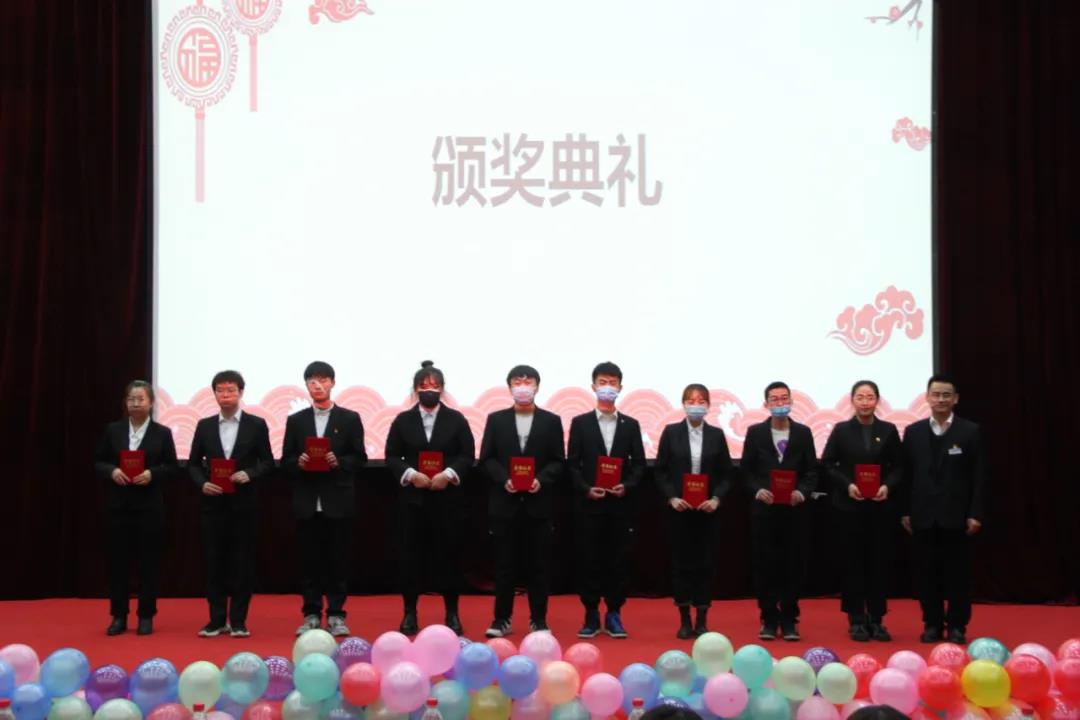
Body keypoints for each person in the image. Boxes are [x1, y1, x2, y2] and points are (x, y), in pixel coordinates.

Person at [384, 360, 476, 636]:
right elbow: (392, 456)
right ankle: (410, 613)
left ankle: (452, 613)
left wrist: (448, 474)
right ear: (415, 389)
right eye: (424, 385)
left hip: (447, 500)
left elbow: (467, 455)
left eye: (435, 386)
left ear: (442, 389)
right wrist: (411, 474)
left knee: (450, 555)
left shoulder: (456, 419)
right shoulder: (403, 420)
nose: (429, 390)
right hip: (413, 500)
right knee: (410, 557)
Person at [281, 361, 367, 636]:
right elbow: (286, 460)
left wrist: (338, 461)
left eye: (323, 380)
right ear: (306, 385)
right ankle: (311, 614)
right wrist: (298, 462)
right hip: (307, 501)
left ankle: (337, 615)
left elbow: (360, 458)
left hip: (337, 501)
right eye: (312, 381)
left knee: (338, 561)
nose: (317, 385)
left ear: (332, 383)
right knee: (309, 562)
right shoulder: (296, 421)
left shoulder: (349, 418)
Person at [480, 364, 565, 638]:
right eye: (518, 382)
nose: (523, 387)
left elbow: (558, 461)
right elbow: (487, 459)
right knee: (504, 565)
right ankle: (501, 619)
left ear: (537, 387)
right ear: (509, 388)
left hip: (538, 505)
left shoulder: (551, 421)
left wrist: (542, 479)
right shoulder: (496, 420)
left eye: (529, 382)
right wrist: (503, 478)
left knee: (539, 565)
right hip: (504, 504)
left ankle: (538, 620)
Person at [187, 370, 274, 638]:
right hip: (213, 506)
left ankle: (238, 621)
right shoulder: (204, 426)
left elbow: (268, 462)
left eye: (231, 390)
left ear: (241, 393)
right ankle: (215, 620)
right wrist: (202, 483)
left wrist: (250, 473)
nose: (225, 395)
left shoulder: (256, 425)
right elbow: (193, 464)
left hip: (244, 506)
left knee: (242, 565)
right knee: (214, 564)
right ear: (214, 394)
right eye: (220, 390)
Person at [901, 374, 987, 644]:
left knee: (958, 575)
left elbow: (979, 476)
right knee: (926, 574)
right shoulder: (913, 432)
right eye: (936, 394)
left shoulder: (970, 431)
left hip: (957, 516)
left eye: (946, 395)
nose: (940, 399)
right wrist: (905, 511)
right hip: (923, 515)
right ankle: (932, 623)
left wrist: (975, 512)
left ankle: (958, 625)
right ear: (927, 398)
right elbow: (906, 475)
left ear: (955, 399)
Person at [567, 362, 646, 639]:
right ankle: (590, 613)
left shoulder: (631, 425)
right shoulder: (580, 423)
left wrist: (628, 486)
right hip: (589, 505)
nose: (608, 387)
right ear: (593, 386)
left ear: (620, 388)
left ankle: (614, 613)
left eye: (613, 383)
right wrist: (586, 488)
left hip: (620, 506)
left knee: (618, 560)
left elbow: (639, 465)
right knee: (588, 559)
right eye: (603, 382)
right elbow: (572, 465)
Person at [93, 380, 178, 636]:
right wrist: (112, 471)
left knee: (148, 563)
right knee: (117, 563)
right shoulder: (113, 430)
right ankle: (118, 616)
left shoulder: (162, 433)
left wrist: (153, 473)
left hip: (149, 508)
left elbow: (172, 467)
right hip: (118, 507)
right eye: (131, 399)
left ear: (151, 402)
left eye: (140, 399)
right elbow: (98, 461)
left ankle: (146, 615)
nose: (135, 403)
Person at [820, 380, 903, 642]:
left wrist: (888, 486)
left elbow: (899, 466)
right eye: (860, 397)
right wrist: (848, 485)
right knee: (852, 563)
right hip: (849, 507)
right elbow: (828, 464)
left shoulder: (888, 430)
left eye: (870, 397)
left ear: (877, 401)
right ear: (852, 400)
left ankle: (877, 619)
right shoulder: (841, 430)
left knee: (878, 563)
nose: (865, 402)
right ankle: (856, 619)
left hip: (880, 507)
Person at [654, 384, 734, 639]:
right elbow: (660, 471)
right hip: (680, 510)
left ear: (708, 406)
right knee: (681, 564)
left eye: (701, 401)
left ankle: (701, 618)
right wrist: (672, 497)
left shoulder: (716, 435)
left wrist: (717, 498)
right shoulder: (671, 432)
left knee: (705, 564)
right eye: (691, 400)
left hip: (708, 511)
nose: (696, 405)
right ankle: (684, 619)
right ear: (683, 404)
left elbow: (727, 473)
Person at [740, 381, 818, 641]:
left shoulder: (803, 433)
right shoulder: (756, 433)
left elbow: (811, 471)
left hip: (795, 512)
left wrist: (802, 492)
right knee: (765, 565)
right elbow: (747, 471)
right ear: (766, 404)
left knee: (793, 565)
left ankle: (790, 619)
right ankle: (769, 618)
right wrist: (757, 490)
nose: (780, 403)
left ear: (791, 402)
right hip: (765, 511)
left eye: (784, 398)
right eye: (775, 399)